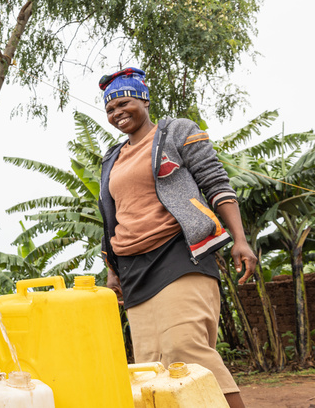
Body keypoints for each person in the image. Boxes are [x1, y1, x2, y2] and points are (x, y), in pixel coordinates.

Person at [97, 68, 257, 408]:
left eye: (123, 103)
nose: (116, 113)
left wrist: (240, 240)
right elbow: (111, 217)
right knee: (151, 369)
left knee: (186, 351)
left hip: (180, 254)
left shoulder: (175, 132)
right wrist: (112, 269)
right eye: (109, 109)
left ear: (144, 99)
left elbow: (217, 184)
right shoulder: (111, 158)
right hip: (133, 268)